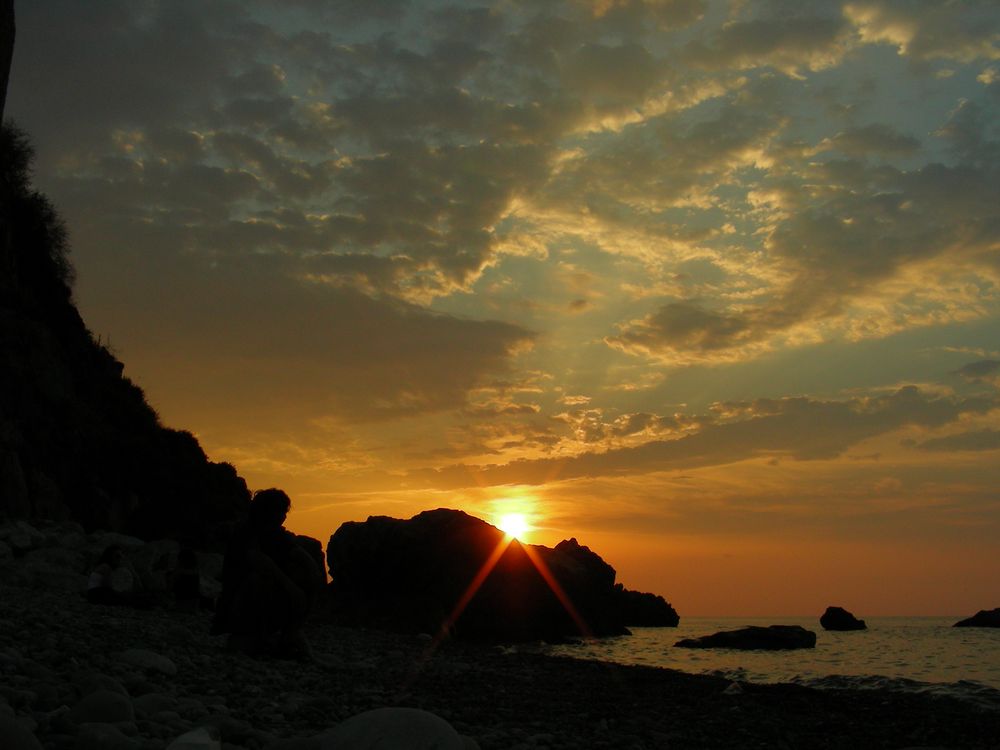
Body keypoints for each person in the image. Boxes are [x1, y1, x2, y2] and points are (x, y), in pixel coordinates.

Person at [211, 488, 322, 659]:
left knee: (305, 575)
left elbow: (299, 554)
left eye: (285, 512)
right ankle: (262, 638)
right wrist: (291, 587)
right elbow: (259, 560)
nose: (283, 517)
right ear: (267, 511)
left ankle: (289, 634)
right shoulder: (245, 531)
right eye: (280, 512)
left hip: (268, 599)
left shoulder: (276, 534)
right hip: (239, 601)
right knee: (261, 580)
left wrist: (313, 575)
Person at [86, 544, 154, 607]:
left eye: (121, 556)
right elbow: (107, 585)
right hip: (97, 594)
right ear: (110, 556)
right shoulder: (106, 567)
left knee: (126, 597)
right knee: (126, 598)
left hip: (94, 594)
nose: (119, 559)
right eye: (117, 556)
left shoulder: (104, 566)